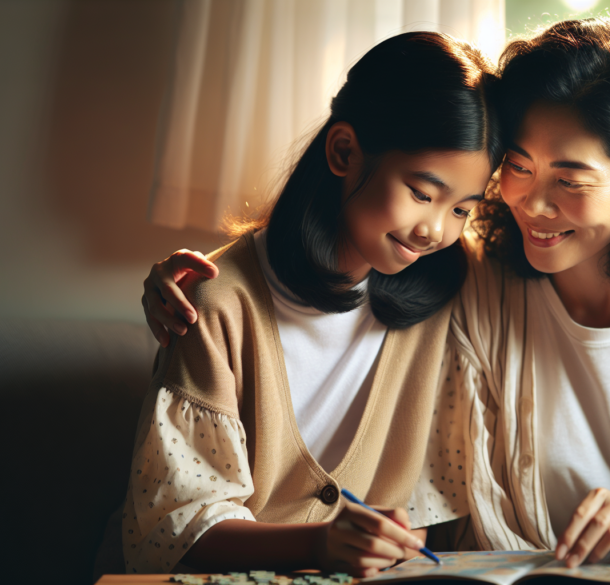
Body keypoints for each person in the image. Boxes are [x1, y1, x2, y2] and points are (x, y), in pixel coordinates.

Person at [142, 17, 610, 585]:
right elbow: (348, 233)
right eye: (520, 168)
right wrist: (198, 276)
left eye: (572, 178)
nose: (532, 202)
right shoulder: (479, 280)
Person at [122, 31, 501, 578]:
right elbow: (173, 530)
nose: (435, 230)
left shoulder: (448, 292)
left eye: (463, 209)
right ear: (344, 151)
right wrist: (319, 547)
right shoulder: (215, 300)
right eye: (422, 193)